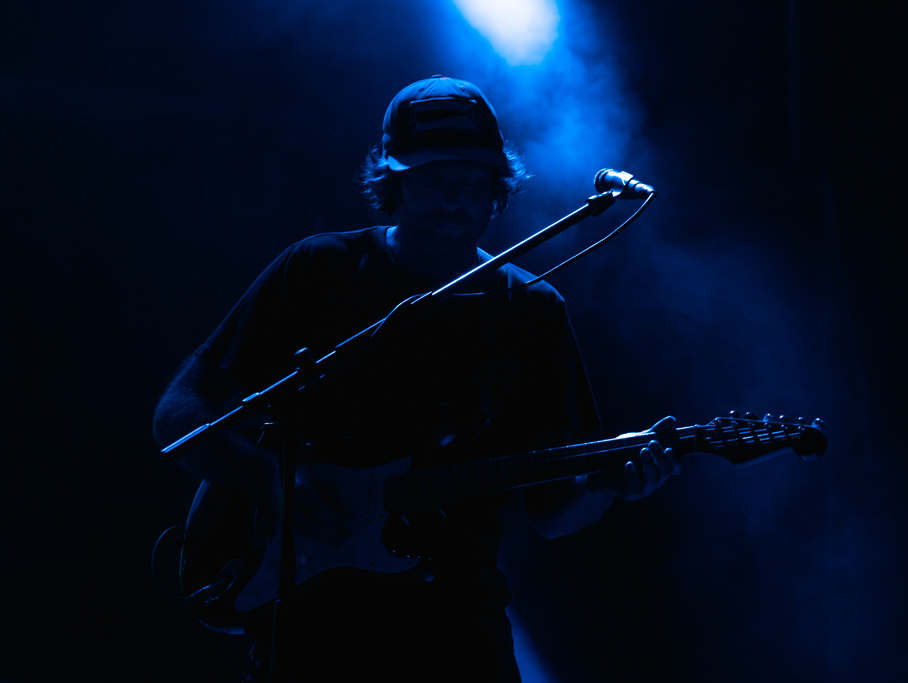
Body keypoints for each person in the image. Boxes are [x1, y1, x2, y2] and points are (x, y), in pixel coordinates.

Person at [153, 75, 679, 682]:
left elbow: (552, 510)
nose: (454, 199)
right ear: (392, 185)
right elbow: (180, 415)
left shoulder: (531, 310)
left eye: (471, 180)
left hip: (457, 631)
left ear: (496, 190)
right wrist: (275, 485)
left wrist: (608, 483)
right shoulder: (321, 270)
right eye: (432, 179)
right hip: (310, 626)